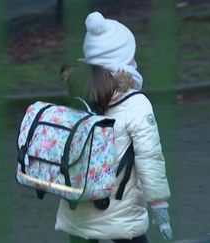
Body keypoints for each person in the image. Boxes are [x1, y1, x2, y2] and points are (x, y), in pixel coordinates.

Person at [55, 11, 173, 243]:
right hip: (120, 210)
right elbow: (149, 159)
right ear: (125, 59)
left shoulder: (78, 94)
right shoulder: (136, 104)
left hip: (78, 204)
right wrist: (159, 206)